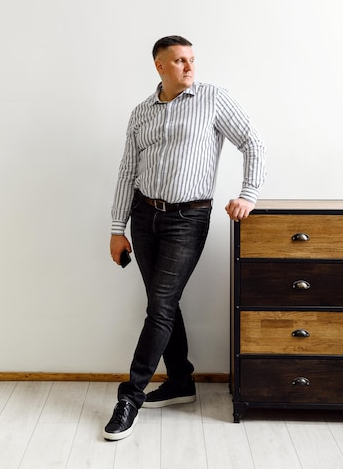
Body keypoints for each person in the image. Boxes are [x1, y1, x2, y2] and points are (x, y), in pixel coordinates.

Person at [104, 35, 266, 441]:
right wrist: (116, 229)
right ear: (160, 67)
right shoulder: (141, 112)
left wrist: (248, 194)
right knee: (164, 302)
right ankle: (180, 382)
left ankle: (130, 396)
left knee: (159, 304)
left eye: (192, 59)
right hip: (144, 217)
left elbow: (252, 141)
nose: (189, 67)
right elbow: (127, 171)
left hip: (188, 218)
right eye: (179, 61)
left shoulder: (212, 99)